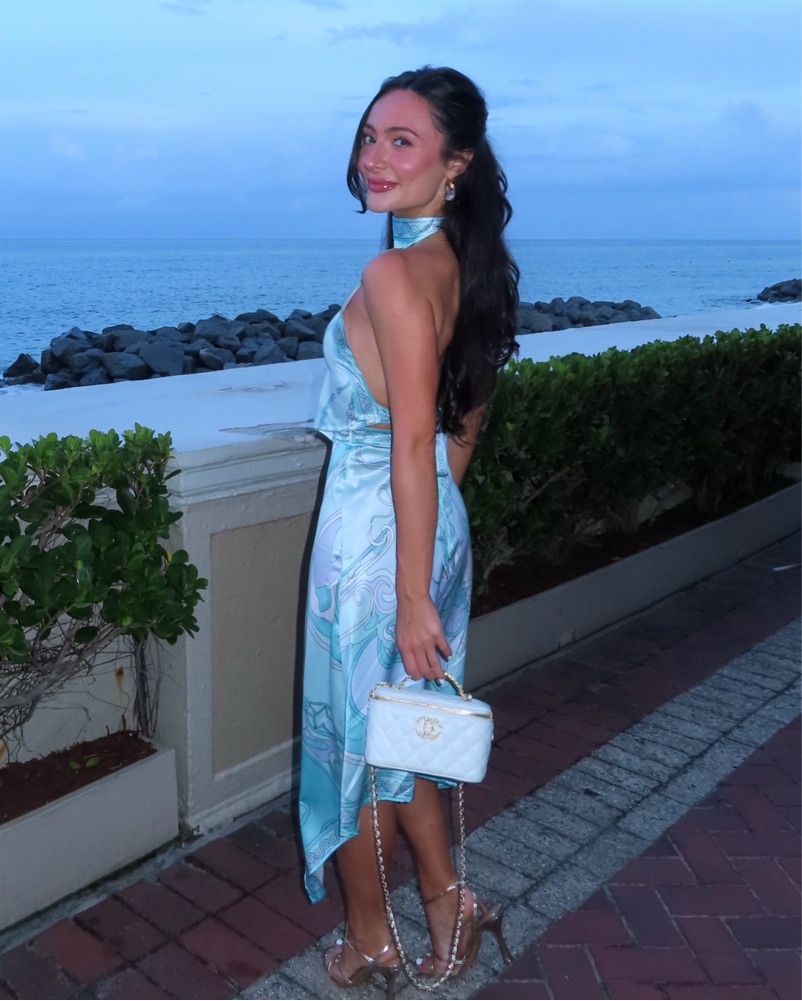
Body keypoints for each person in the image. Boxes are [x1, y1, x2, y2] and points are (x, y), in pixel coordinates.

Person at [299, 66, 519, 996]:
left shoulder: (391, 273)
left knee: (351, 751)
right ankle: (449, 905)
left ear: (454, 162)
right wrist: (435, 537)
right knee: (402, 737)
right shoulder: (467, 266)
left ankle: (370, 938)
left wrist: (409, 587)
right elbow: (461, 423)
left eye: (402, 140)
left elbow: (408, 438)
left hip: (376, 542)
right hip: (426, 524)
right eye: (369, 137)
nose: (375, 158)